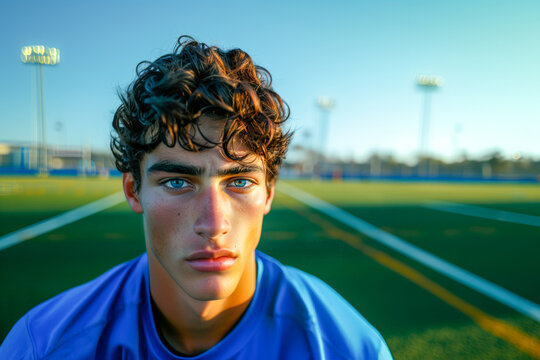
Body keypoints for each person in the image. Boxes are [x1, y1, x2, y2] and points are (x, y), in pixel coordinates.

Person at [1, 36, 392, 359]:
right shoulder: (43, 347)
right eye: (176, 182)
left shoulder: (349, 349)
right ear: (133, 190)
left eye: (239, 182)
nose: (213, 223)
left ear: (269, 193)